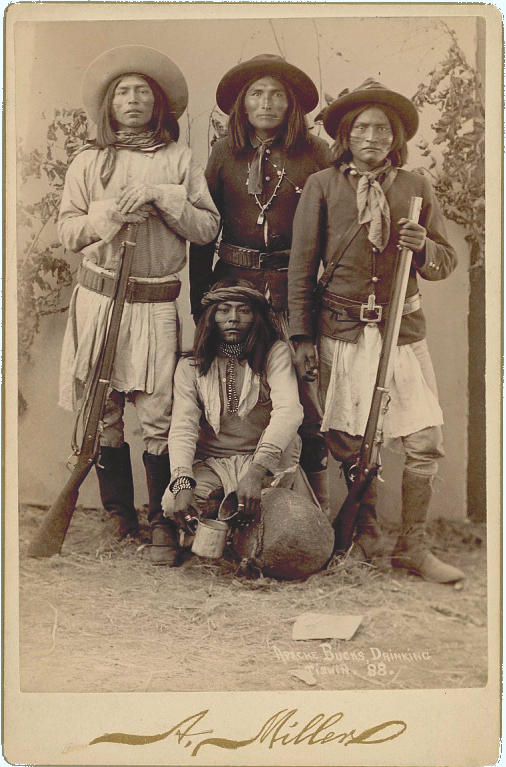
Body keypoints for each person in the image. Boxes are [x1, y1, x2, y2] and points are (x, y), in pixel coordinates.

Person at [288, 78, 465, 583]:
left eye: (382, 129)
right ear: (346, 136)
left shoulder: (416, 187)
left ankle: (412, 546)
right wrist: (302, 338)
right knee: (349, 439)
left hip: (400, 332)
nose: (372, 136)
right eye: (361, 127)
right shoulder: (322, 186)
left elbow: (445, 259)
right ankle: (363, 534)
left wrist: (423, 245)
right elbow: (300, 271)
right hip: (341, 331)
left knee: (424, 439)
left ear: (395, 138)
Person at [57, 45, 220, 564]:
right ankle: (116, 517)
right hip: (99, 301)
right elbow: (66, 230)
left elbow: (208, 227)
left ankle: (161, 522)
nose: (132, 100)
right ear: (109, 104)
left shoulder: (180, 160)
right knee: (100, 413)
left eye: (142, 92)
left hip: (154, 303)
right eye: (123, 92)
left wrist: (162, 196)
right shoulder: (87, 161)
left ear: (159, 104)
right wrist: (108, 215)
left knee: (157, 415)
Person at [189, 54, 333, 516]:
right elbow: (204, 230)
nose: (266, 103)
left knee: (305, 404)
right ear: (243, 106)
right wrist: (200, 303)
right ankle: (218, 506)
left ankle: (312, 515)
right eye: (257, 94)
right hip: (233, 290)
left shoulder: (315, 155)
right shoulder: (223, 153)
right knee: (232, 394)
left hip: (294, 293)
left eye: (276, 95)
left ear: (291, 105)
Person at [161, 279, 304, 563]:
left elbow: (290, 410)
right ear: (210, 317)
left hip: (264, 461)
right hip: (212, 462)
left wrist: (255, 472)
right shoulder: (190, 366)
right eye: (224, 310)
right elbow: (183, 427)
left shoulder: (274, 354)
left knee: (275, 518)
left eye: (244, 311)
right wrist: (182, 483)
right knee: (173, 502)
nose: (234, 319)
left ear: (257, 317)